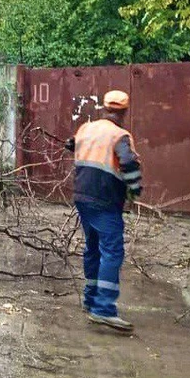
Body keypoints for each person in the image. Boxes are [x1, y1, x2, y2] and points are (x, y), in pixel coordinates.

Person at [65, 90, 143, 331]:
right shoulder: (120, 135)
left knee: (93, 248)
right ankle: (104, 309)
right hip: (106, 199)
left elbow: (72, 144)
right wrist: (135, 187)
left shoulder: (86, 128)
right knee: (112, 251)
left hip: (82, 197)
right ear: (123, 112)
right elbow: (128, 163)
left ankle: (91, 300)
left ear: (105, 108)